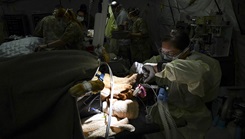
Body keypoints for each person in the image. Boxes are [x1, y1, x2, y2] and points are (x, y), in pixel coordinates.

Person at [131, 29, 222, 139]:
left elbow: (185, 70)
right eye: (163, 51)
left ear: (185, 50)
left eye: (169, 53)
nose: (165, 56)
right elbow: (152, 62)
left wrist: (158, 68)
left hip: (190, 120)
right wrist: (141, 68)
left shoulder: (199, 64)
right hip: (164, 111)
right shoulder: (163, 58)